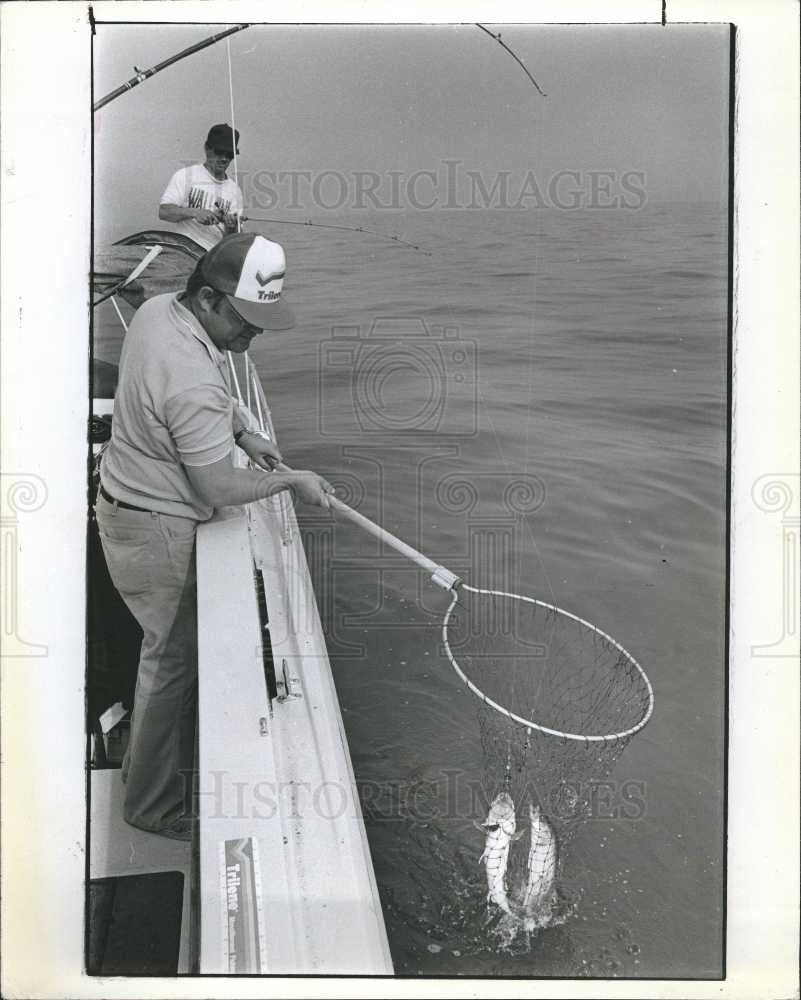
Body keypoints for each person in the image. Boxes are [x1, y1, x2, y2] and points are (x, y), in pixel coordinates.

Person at [95, 232, 334, 840]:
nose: (255, 335)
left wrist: (244, 431)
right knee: (168, 663)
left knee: (164, 655)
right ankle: (148, 805)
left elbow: (205, 380)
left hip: (123, 505)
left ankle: (148, 775)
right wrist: (290, 483)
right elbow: (219, 490)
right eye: (248, 321)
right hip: (154, 529)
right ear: (208, 299)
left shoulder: (156, 311)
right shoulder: (192, 382)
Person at [159, 123, 245, 250]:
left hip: (212, 259)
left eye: (230, 154)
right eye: (220, 152)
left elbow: (232, 242)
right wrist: (195, 212)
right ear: (207, 148)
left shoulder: (235, 191)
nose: (224, 159)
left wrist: (231, 227)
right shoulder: (186, 175)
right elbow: (164, 212)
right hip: (183, 251)